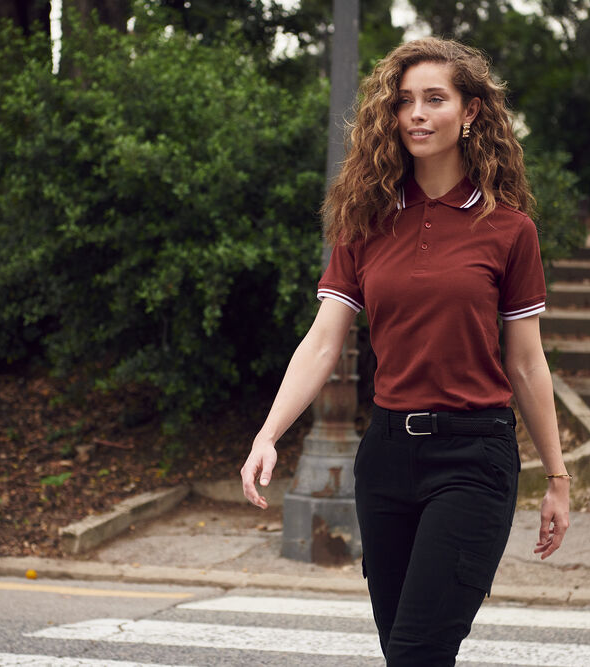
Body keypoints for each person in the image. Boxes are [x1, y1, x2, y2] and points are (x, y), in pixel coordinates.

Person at [240, 37, 570, 665]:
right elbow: (323, 340)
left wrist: (557, 478)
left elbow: (526, 362)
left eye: (434, 99)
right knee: (403, 652)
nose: (416, 113)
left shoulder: (509, 229)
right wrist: (269, 433)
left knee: (420, 651)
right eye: (403, 101)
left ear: (470, 111)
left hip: (474, 458)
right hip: (387, 458)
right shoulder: (365, 221)